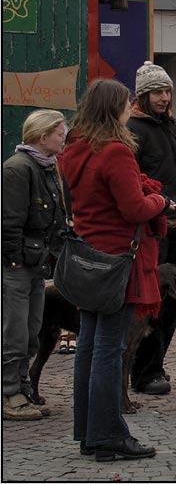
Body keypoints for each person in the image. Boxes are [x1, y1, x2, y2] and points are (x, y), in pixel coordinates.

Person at [59, 79, 173, 461]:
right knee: (108, 349)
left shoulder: (74, 148)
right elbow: (135, 209)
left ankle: (91, 432)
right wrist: (159, 199)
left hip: (88, 257)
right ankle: (108, 434)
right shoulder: (115, 152)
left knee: (89, 348)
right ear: (115, 109)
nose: (131, 108)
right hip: (117, 261)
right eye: (127, 103)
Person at [126, 61, 176, 396]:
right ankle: (144, 371)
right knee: (153, 302)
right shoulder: (134, 130)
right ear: (143, 94)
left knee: (175, 299)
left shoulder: (173, 125)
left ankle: (155, 365)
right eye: (157, 92)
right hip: (154, 229)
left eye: (167, 91)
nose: (164, 97)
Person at [2, 110, 67, 421]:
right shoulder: (18, 169)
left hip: (36, 262)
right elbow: (9, 222)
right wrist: (14, 261)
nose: (63, 137)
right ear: (43, 137)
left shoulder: (46, 167)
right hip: (18, 265)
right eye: (59, 133)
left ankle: (23, 386)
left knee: (30, 330)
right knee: (13, 332)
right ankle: (9, 393)